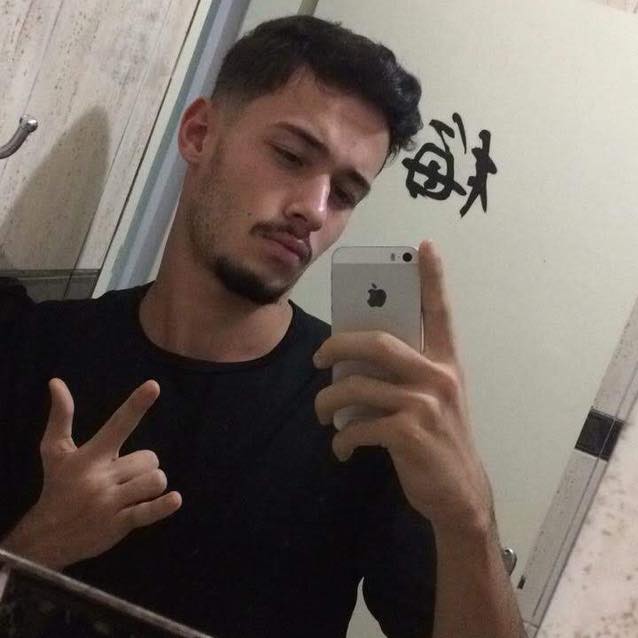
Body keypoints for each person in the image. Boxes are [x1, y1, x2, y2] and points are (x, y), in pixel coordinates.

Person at [0, 15, 524, 638]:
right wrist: (36, 546)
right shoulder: (33, 348)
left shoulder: (362, 409)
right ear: (199, 134)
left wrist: (469, 519)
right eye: (291, 156)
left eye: (346, 193)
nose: (315, 209)